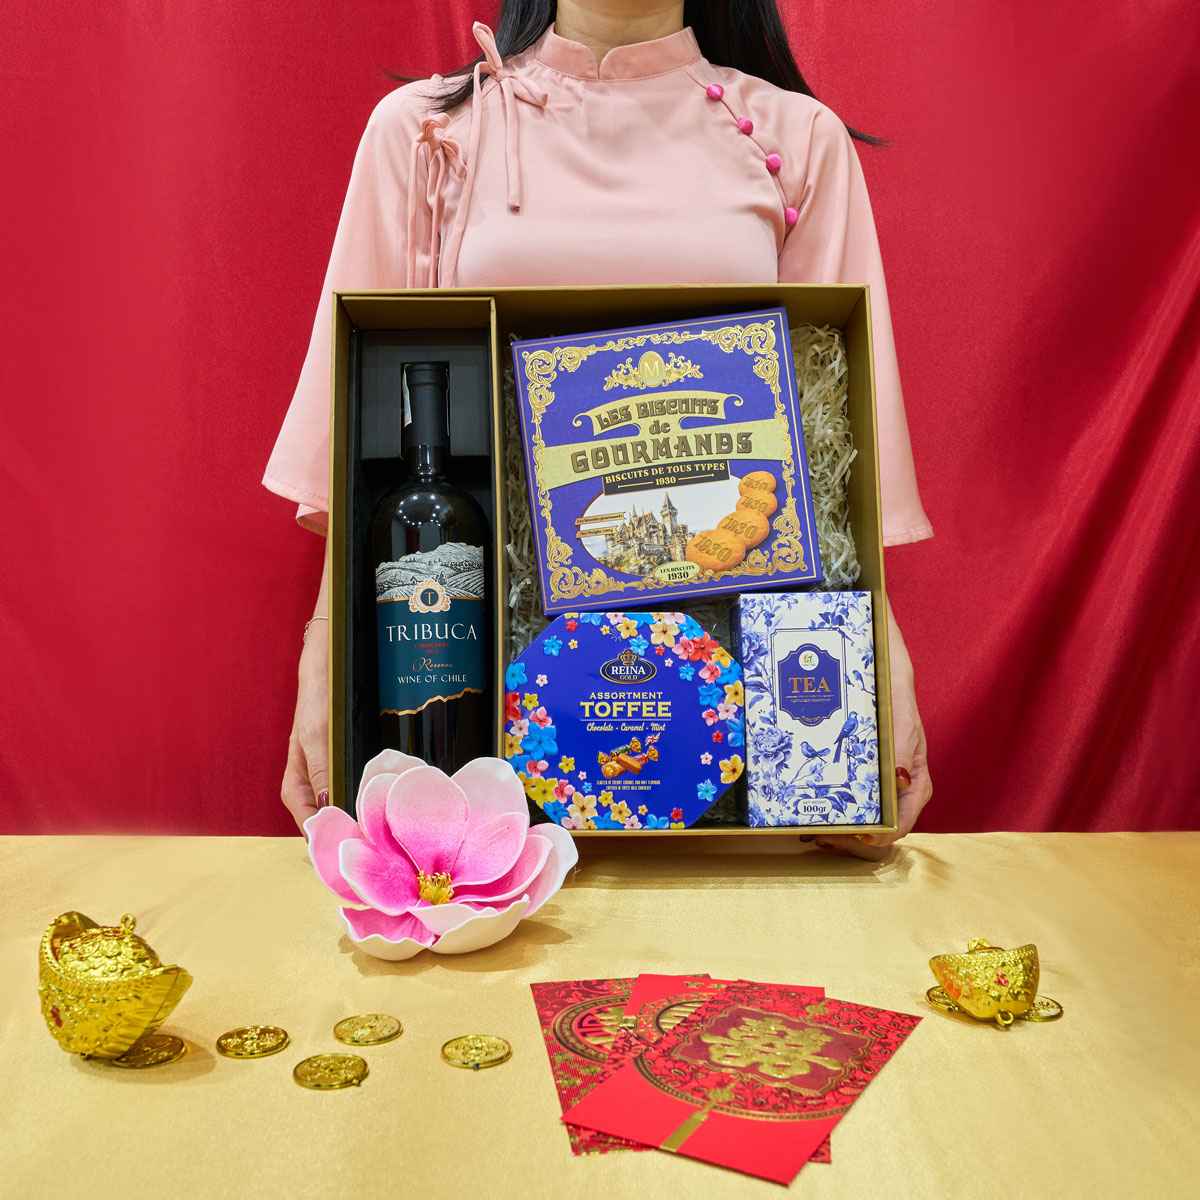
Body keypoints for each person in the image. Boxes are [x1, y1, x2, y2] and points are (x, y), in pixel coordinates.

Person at [264, 0, 934, 859]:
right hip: (477, 714)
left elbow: (830, 442)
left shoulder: (797, 140)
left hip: (728, 718)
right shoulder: (425, 134)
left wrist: (877, 659)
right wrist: (326, 645)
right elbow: (367, 428)